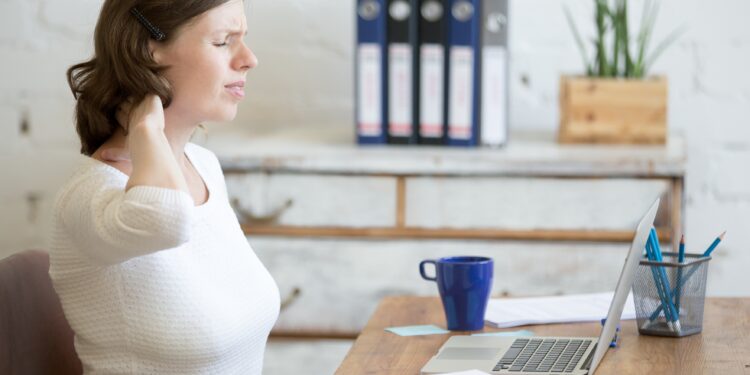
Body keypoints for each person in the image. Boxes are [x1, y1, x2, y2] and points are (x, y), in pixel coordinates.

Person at [49, 0, 280, 373]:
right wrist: (146, 131)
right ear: (146, 50)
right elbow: (164, 218)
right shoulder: (89, 195)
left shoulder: (204, 167)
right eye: (223, 41)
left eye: (243, 39)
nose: (249, 59)